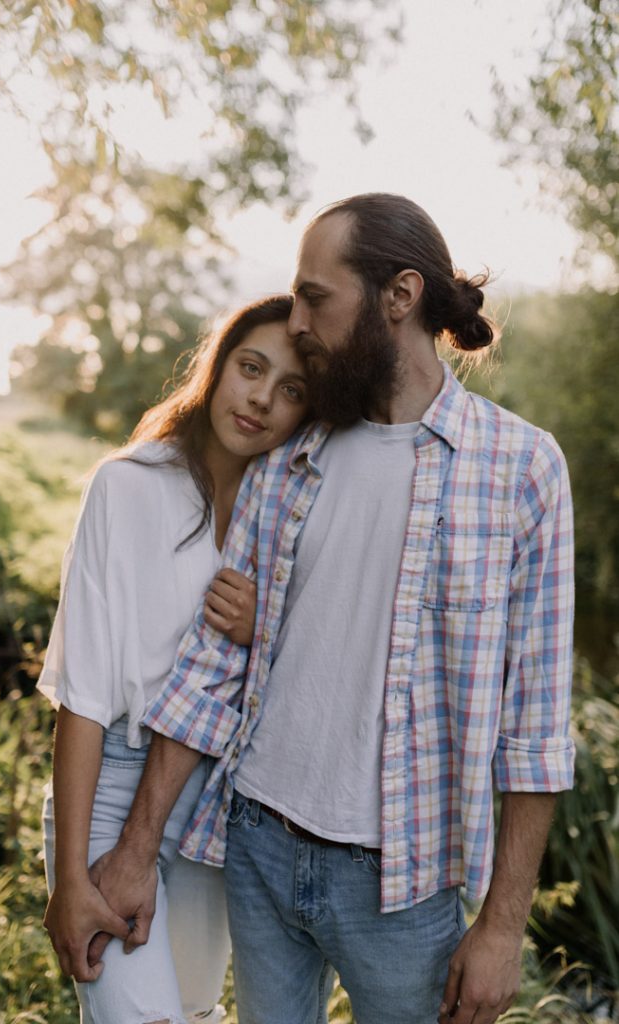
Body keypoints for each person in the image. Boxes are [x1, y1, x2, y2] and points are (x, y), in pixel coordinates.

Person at [88, 194, 575, 1024]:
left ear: (399, 296)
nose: (299, 323)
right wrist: (135, 851)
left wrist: (500, 927)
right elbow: (213, 665)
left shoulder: (521, 469)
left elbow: (533, 731)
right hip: (256, 844)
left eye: (315, 298)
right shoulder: (290, 459)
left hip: (403, 884)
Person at [37, 294, 311, 1024]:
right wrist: (71, 875)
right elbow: (82, 698)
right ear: (217, 368)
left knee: (192, 1011)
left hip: (218, 800)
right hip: (111, 786)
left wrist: (263, 630)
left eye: (291, 389)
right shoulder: (127, 485)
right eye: (250, 368)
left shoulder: (287, 508)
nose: (261, 398)